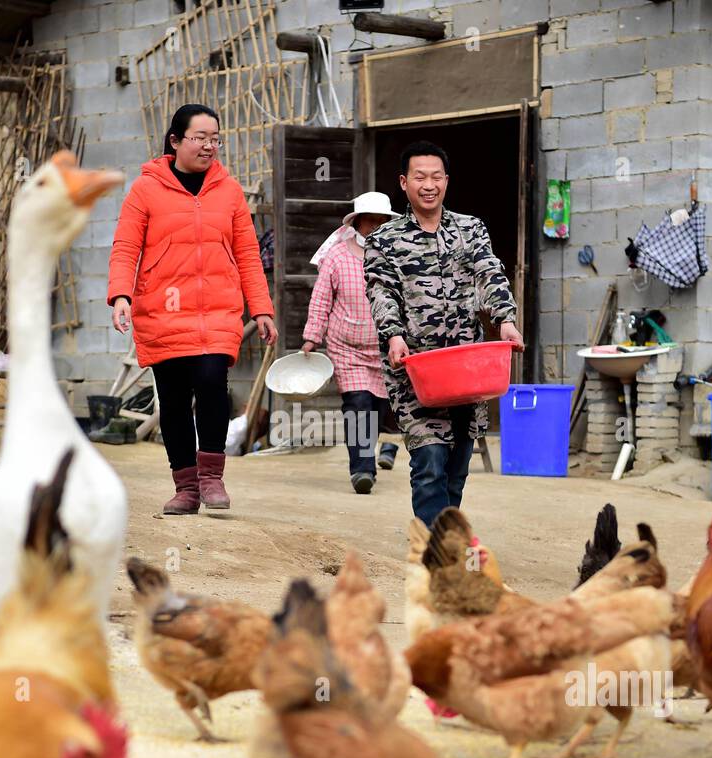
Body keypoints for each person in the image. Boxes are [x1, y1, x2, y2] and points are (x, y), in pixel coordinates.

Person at [108, 104, 277, 515]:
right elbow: (126, 246)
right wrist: (121, 296)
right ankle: (185, 485)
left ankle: (211, 476)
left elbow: (248, 255)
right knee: (174, 397)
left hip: (218, 309)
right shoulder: (145, 190)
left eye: (215, 138)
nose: (209, 146)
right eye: (200, 137)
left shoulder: (230, 191)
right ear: (175, 141)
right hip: (162, 309)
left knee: (211, 379)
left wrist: (261, 309)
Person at [365, 140, 522, 528]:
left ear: (446, 181)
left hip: (467, 369)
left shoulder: (471, 229)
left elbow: (490, 274)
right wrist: (393, 335)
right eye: (420, 177)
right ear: (404, 183)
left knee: (456, 465)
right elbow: (381, 292)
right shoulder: (383, 241)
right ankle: (434, 551)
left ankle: (443, 536)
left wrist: (505, 318)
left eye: (436, 176)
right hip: (416, 369)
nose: (428, 184)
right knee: (430, 460)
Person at [301, 192, 401, 494]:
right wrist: (311, 337)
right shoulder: (338, 255)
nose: (376, 227)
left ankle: (388, 447)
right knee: (358, 405)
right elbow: (321, 299)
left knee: (387, 408)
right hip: (347, 348)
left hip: (387, 347)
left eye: (382, 222)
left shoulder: (397, 255)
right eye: (371, 221)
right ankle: (362, 469)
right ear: (357, 223)